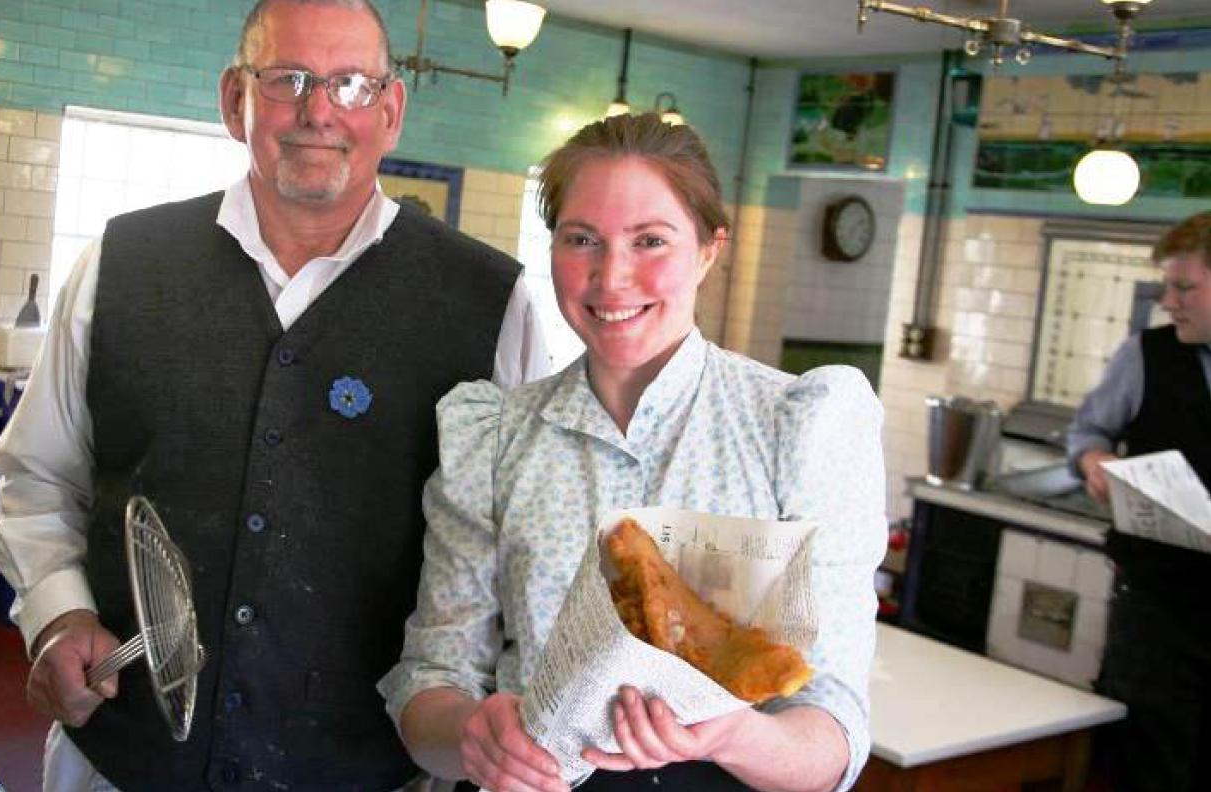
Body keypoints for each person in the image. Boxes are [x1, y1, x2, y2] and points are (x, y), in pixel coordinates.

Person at [0, 1, 550, 790]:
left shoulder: (493, 301)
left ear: (391, 111)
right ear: (233, 100)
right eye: (286, 79)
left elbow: (525, 547)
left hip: (367, 770)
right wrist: (58, 613)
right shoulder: (121, 264)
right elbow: (41, 476)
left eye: (351, 84)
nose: (318, 111)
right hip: (124, 762)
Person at [379, 114, 887, 792]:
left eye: (650, 241)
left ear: (710, 249)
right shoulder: (495, 436)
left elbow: (834, 732)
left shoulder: (796, 428)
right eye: (581, 239)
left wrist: (738, 732)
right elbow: (431, 680)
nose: (611, 277)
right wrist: (472, 739)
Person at [1066, 210, 1211, 792]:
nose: (1169, 302)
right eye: (1166, 287)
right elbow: (1087, 433)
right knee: (1144, 761)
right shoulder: (1145, 355)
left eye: (1185, 288)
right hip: (1157, 607)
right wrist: (1093, 460)